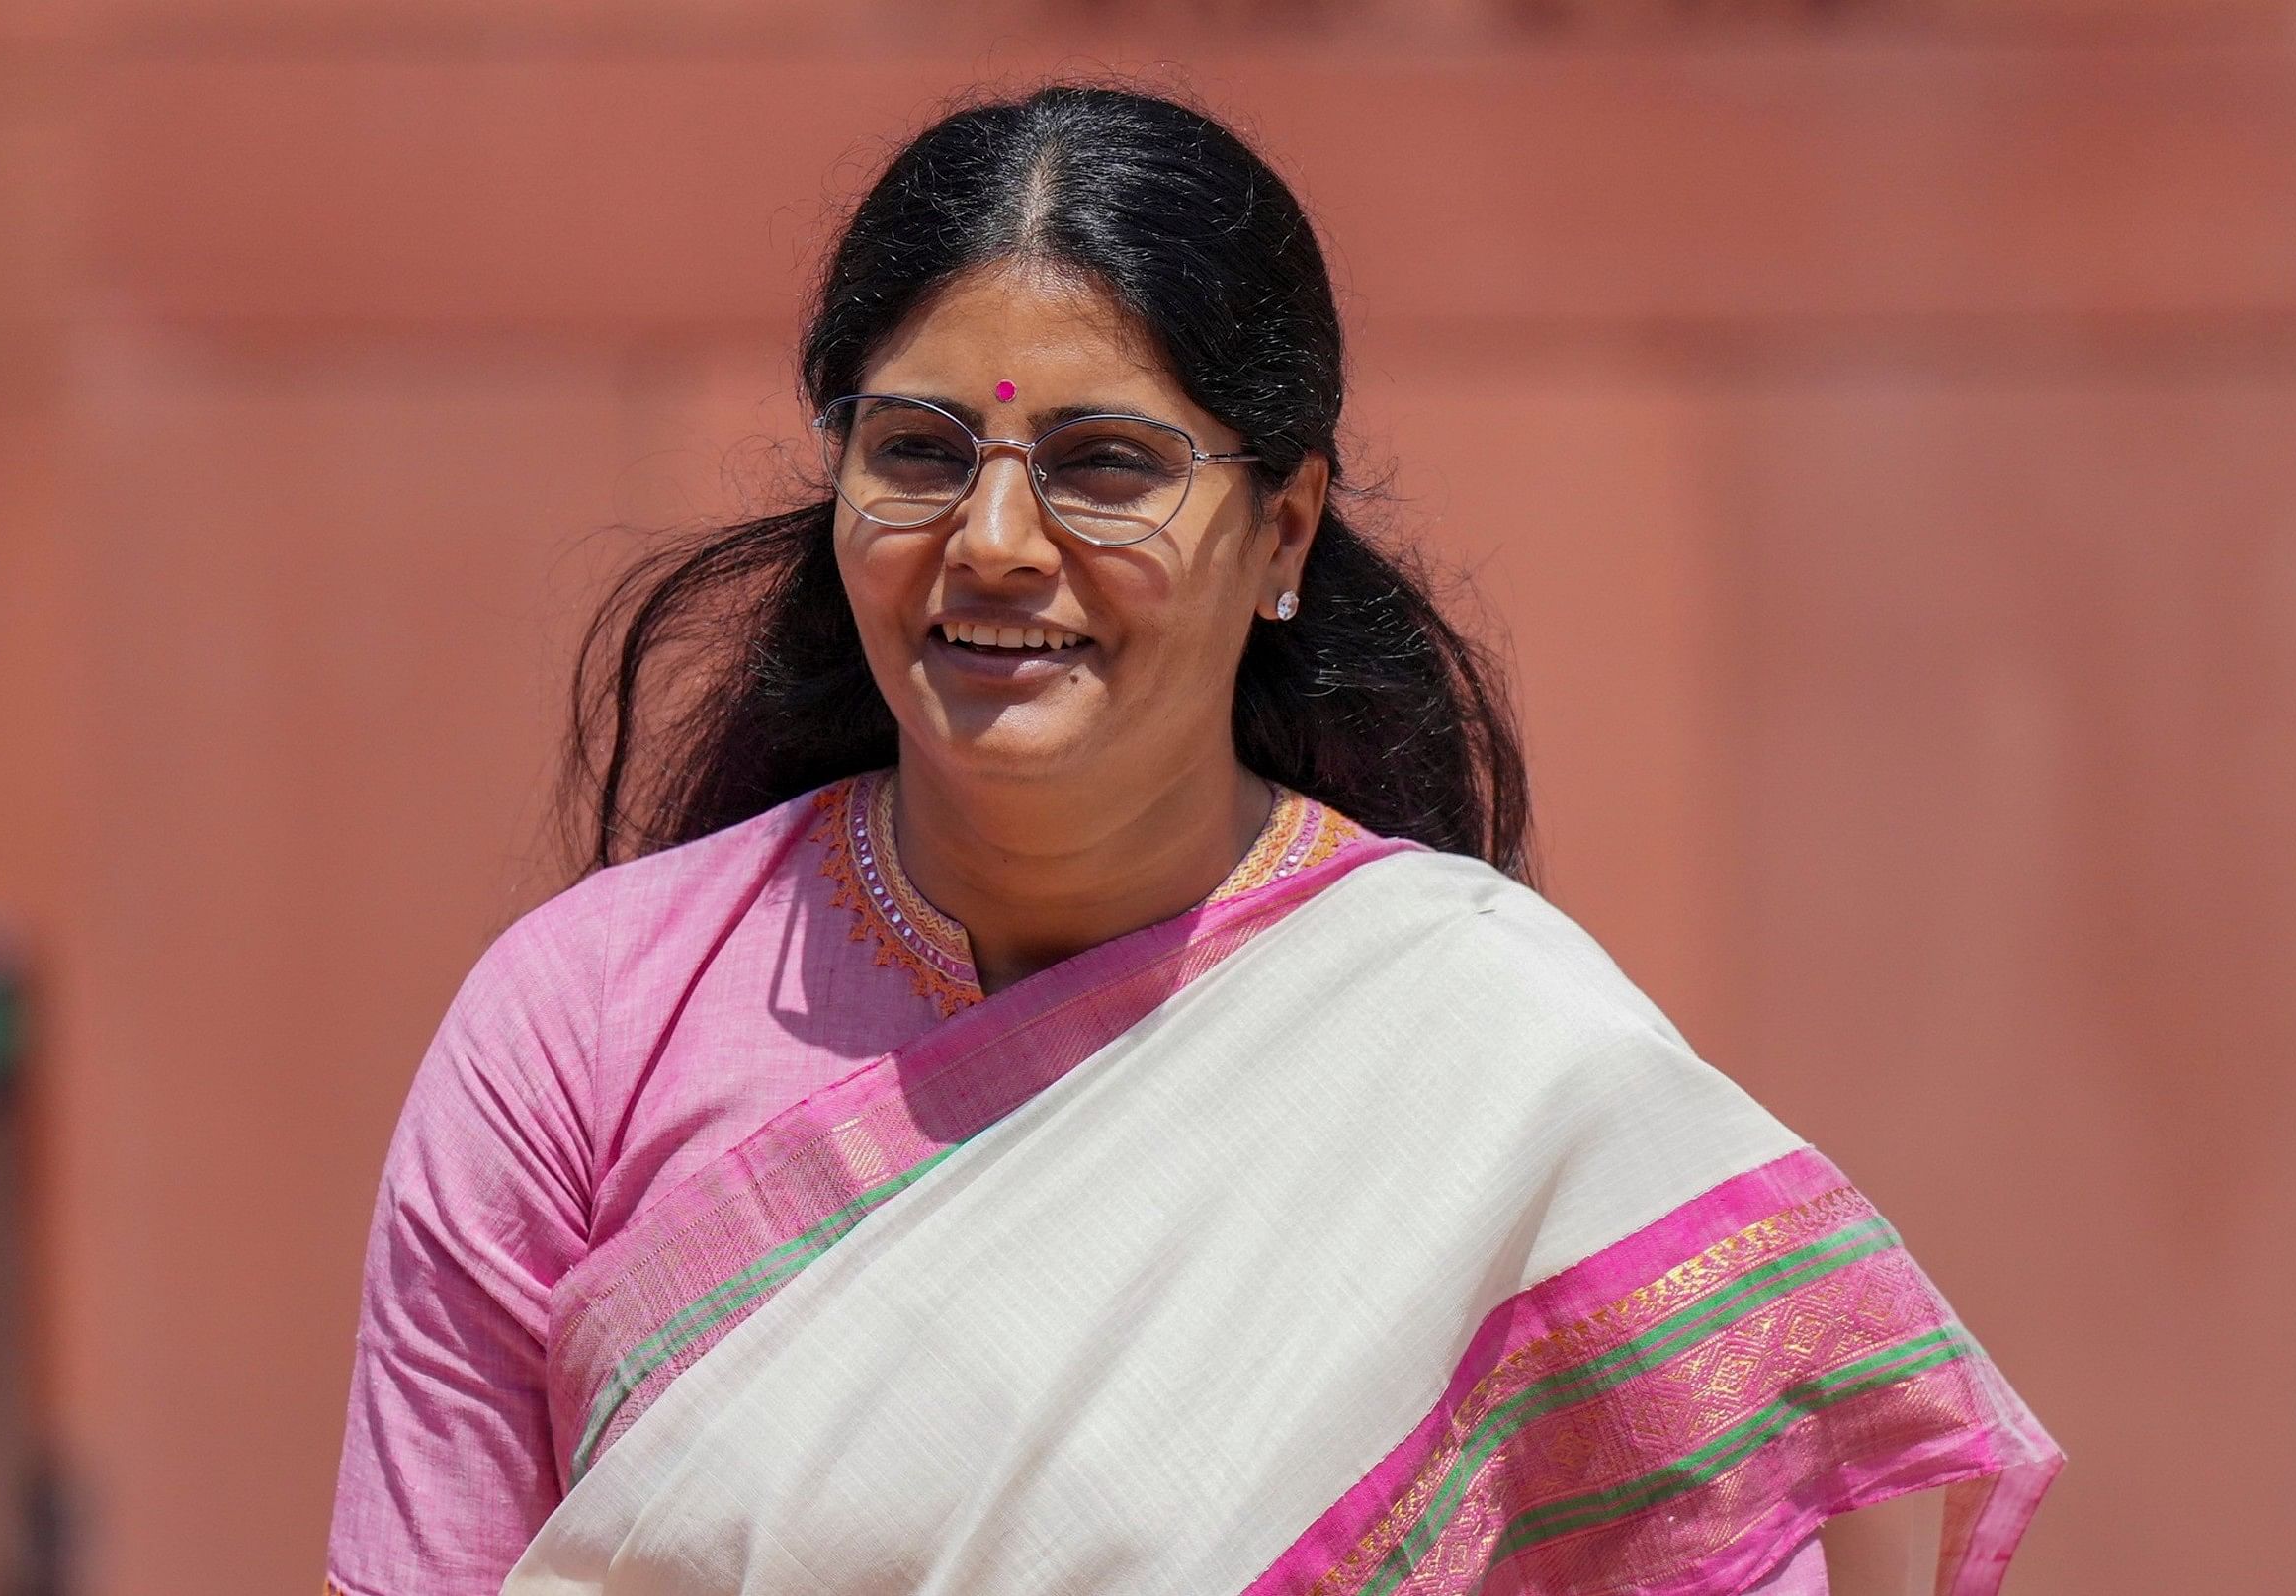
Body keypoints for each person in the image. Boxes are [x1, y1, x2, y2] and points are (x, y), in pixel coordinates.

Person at [323, 83, 2059, 1596]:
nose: (994, 540)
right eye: (920, 450)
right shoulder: (581, 1026)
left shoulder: (1493, 1061)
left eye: (1102, 463)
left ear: (1284, 523)